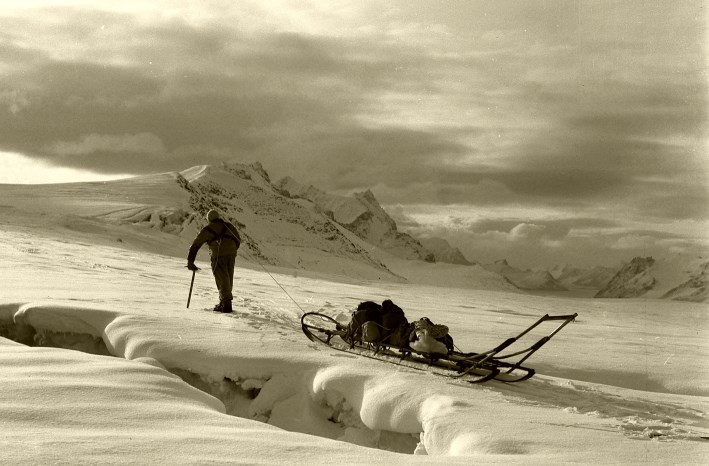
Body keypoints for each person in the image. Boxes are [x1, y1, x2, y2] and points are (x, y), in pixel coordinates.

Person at [187, 209, 241, 313]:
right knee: (228, 278)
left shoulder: (207, 229)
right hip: (232, 254)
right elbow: (238, 240)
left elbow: (196, 245)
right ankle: (224, 302)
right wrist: (231, 249)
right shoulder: (229, 226)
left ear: (209, 219)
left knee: (222, 279)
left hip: (218, 256)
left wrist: (190, 261)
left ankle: (226, 305)